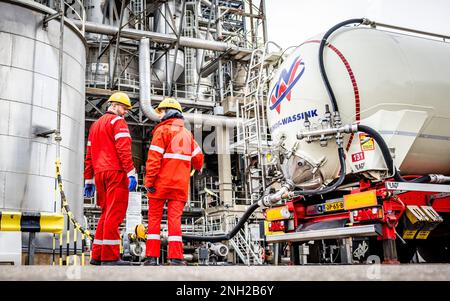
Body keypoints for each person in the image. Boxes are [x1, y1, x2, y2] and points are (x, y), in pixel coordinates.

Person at [143, 97, 204, 266]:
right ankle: (176, 258)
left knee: (154, 219)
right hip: (180, 186)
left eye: (161, 111)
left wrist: (149, 182)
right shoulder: (187, 134)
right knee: (174, 220)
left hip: (160, 185)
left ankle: (151, 257)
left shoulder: (162, 131)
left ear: (168, 111)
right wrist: (194, 168)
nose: (159, 114)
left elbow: (154, 159)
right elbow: (199, 158)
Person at [84, 92, 137, 266]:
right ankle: (110, 257)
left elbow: (89, 155)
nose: (125, 112)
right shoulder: (117, 122)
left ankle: (97, 255)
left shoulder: (95, 126)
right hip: (116, 172)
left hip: (100, 174)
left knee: (105, 214)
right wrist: (131, 172)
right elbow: (123, 149)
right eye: (123, 107)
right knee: (115, 214)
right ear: (112, 105)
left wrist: (89, 179)